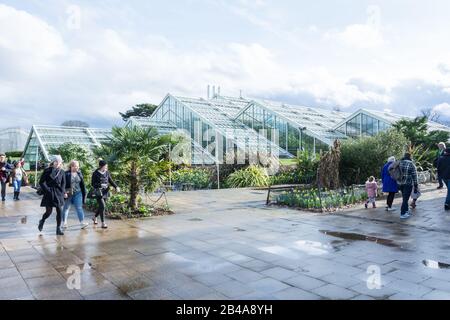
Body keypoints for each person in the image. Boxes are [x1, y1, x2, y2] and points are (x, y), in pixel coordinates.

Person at [38, 155, 66, 235]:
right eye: (56, 161)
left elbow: (63, 183)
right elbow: (41, 182)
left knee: (59, 211)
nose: (57, 163)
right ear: (53, 162)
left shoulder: (62, 172)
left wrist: (63, 192)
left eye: (59, 161)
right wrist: (47, 190)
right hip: (49, 192)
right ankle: (42, 220)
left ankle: (58, 229)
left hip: (58, 193)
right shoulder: (47, 170)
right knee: (48, 212)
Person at [91, 160, 119, 229]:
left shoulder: (106, 172)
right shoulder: (95, 173)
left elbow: (110, 180)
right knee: (102, 206)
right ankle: (103, 223)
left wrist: (116, 186)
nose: (106, 167)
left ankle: (94, 217)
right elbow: (93, 184)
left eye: (106, 166)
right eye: (105, 166)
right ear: (101, 166)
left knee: (101, 206)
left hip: (105, 192)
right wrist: (100, 184)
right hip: (98, 192)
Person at [62, 160, 88, 229]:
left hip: (78, 193)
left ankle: (82, 222)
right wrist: (64, 192)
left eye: (77, 166)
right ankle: (64, 223)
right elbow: (62, 184)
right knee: (66, 208)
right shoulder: (66, 174)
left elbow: (82, 185)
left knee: (79, 207)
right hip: (68, 193)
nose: (76, 168)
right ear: (71, 166)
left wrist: (84, 193)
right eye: (74, 166)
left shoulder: (79, 173)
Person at [397, 152, 419, 219]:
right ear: (410, 157)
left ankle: (406, 211)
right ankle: (402, 213)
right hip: (408, 184)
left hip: (400, 184)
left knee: (404, 198)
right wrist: (416, 185)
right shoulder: (411, 164)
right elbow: (415, 176)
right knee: (405, 199)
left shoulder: (399, 162)